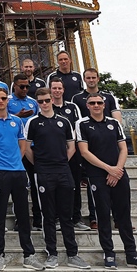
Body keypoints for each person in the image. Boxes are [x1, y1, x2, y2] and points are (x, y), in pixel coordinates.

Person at [76, 93, 137, 270]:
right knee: (103, 215)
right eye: (92, 103)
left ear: (104, 105)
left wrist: (117, 170)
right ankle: (109, 253)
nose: (96, 105)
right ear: (87, 106)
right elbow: (84, 152)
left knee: (124, 215)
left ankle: (132, 253)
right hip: (97, 175)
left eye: (99, 103)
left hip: (119, 173)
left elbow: (123, 148)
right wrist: (108, 169)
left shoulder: (114, 123)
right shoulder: (82, 124)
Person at [0, 87, 45, 271]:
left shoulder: (17, 121)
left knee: (23, 215)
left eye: (3, 99)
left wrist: (16, 160)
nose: (0, 101)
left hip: (18, 172)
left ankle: (28, 255)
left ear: (7, 101)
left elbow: (22, 144)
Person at [24, 88, 90, 270]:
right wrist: (39, 164)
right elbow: (27, 147)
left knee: (66, 215)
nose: (44, 104)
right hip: (43, 172)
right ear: (37, 102)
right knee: (48, 214)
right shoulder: (33, 122)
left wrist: (61, 161)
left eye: (46, 100)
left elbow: (71, 146)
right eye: (40, 101)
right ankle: (51, 253)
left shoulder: (65, 121)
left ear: (52, 99)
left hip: (63, 171)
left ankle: (72, 254)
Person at [49, 77, 89, 232]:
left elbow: (78, 129)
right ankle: (58, 218)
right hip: (55, 154)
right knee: (57, 188)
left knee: (74, 186)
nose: (57, 91)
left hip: (73, 153)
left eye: (59, 88)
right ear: (50, 89)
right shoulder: (47, 107)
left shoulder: (72, 108)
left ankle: (76, 218)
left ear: (63, 90)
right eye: (54, 88)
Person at [7, 73, 41, 230]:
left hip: (33, 147)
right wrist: (17, 116)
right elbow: (1, 120)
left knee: (36, 184)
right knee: (18, 186)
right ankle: (20, 219)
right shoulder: (6, 101)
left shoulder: (33, 103)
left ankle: (38, 218)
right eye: (22, 86)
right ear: (14, 86)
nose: (25, 89)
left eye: (27, 86)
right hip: (15, 148)